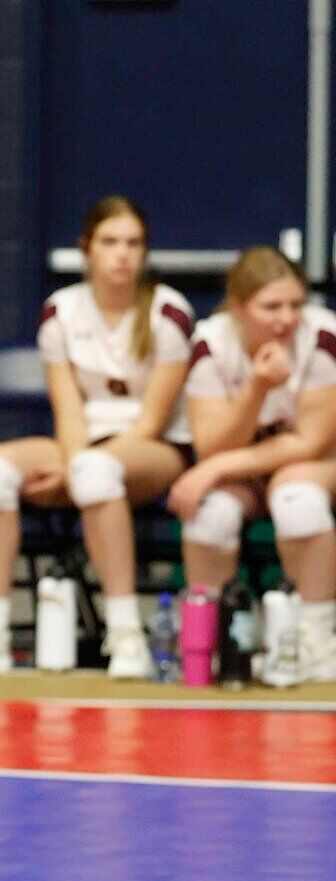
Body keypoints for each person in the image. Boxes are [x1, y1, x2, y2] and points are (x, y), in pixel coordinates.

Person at [0, 197, 195, 678]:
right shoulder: (60, 311)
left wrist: (76, 470)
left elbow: (153, 420)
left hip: (155, 449)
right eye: (110, 242)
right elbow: (69, 410)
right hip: (83, 446)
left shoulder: (168, 313)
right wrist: (70, 463)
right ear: (86, 249)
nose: (122, 254)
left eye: (133, 243)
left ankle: (126, 635)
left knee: (95, 472)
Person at [168, 246, 336, 686]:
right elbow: (211, 442)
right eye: (272, 307)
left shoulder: (323, 338)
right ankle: (219, 642)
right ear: (239, 307)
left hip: (318, 464)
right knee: (208, 514)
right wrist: (257, 390)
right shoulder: (210, 343)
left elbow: (309, 442)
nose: (286, 318)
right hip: (243, 472)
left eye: (296, 304)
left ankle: (316, 639)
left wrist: (213, 469)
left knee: (294, 495)